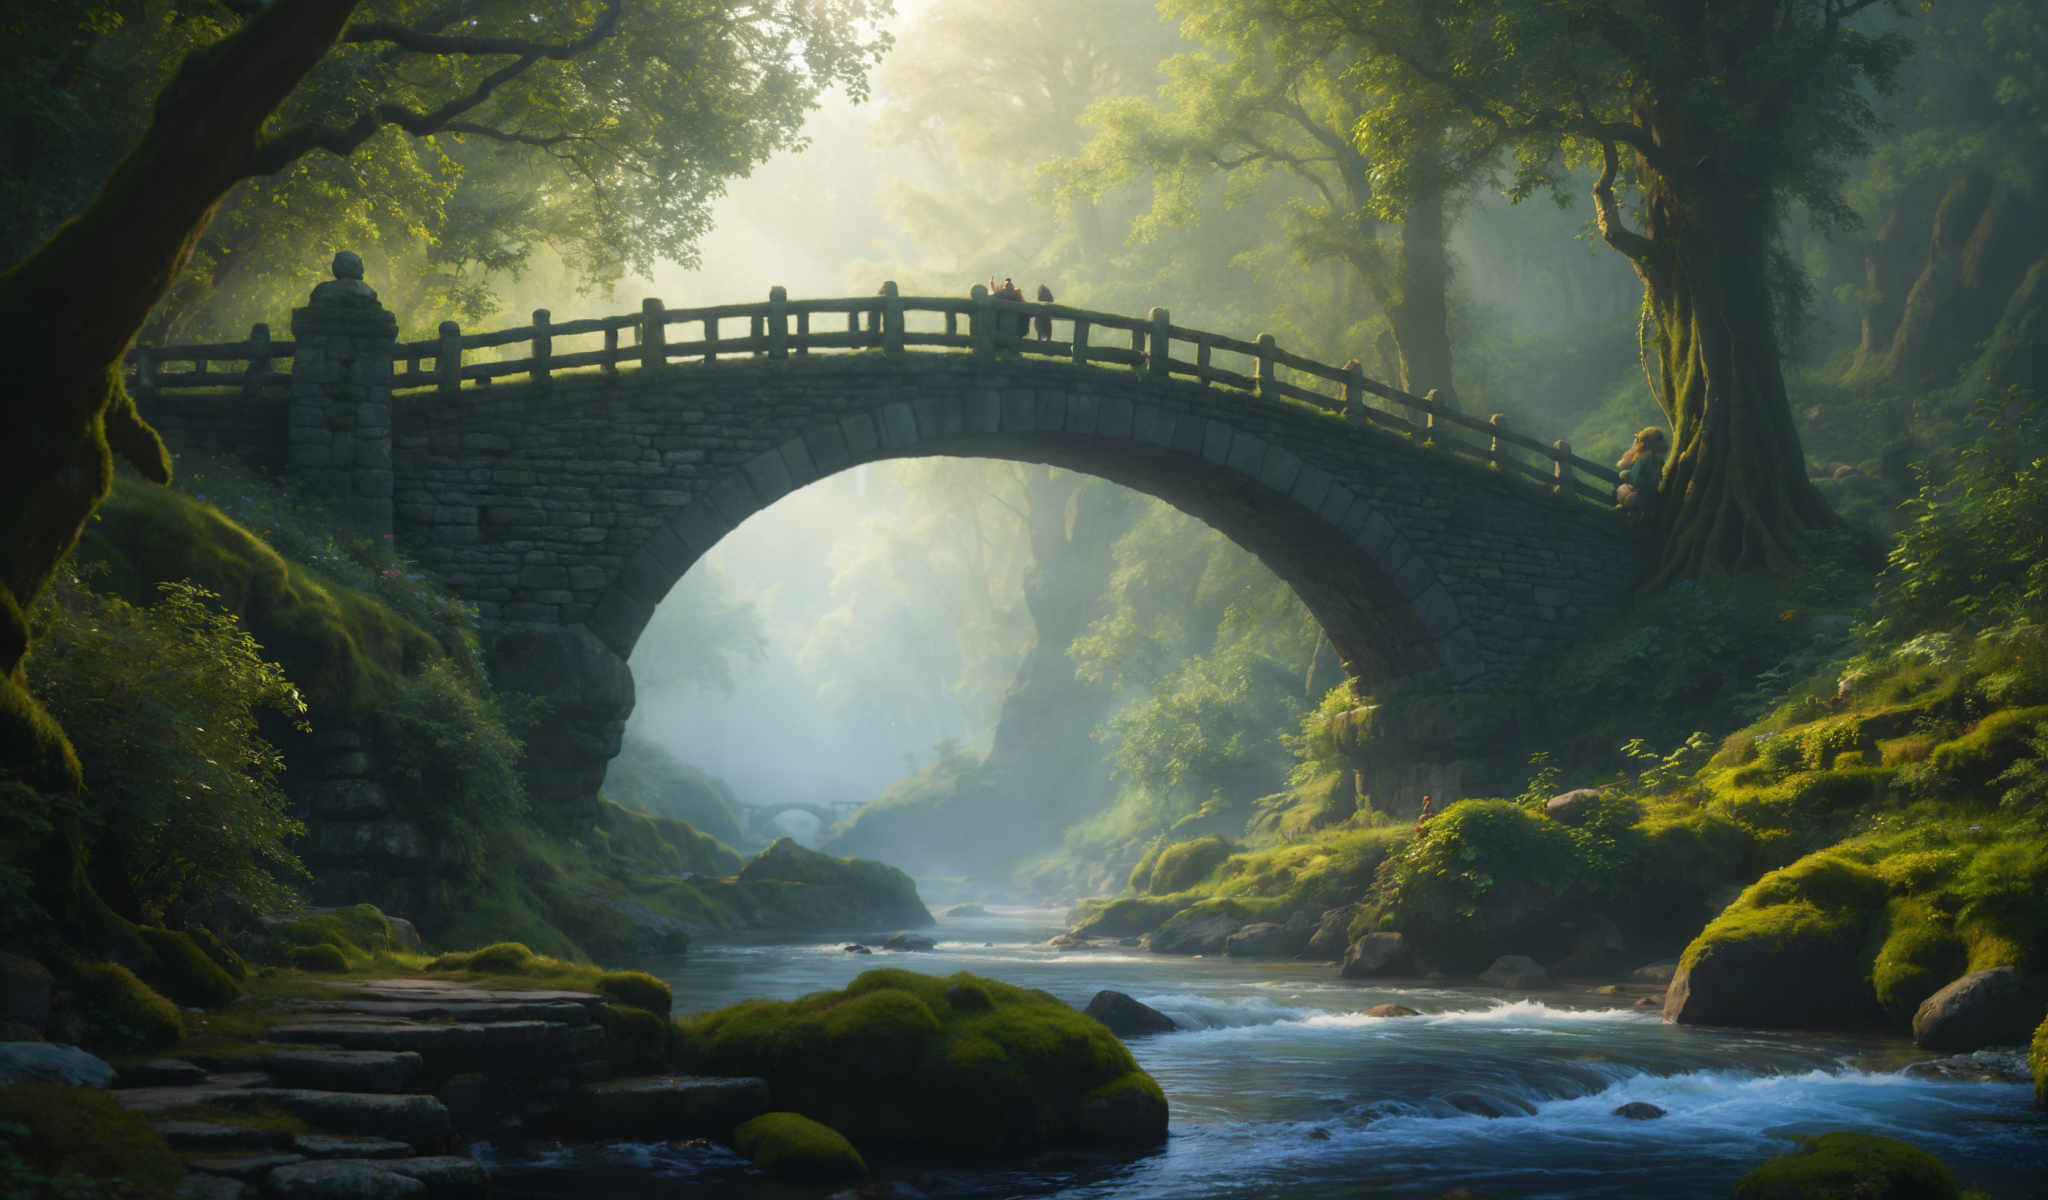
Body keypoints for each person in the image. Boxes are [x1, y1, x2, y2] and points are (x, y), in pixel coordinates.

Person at [1615, 426, 1668, 515]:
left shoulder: (1644, 459)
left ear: (1642, 443)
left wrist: (1624, 475)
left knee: (1623, 486)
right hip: (1650, 493)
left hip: (1642, 495)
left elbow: (1633, 477)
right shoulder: (1658, 460)